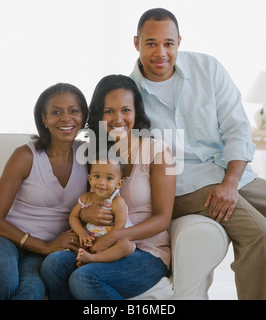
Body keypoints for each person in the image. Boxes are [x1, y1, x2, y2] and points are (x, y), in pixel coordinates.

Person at [130, 7, 266, 300]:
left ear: (179, 42)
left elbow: (237, 127)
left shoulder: (207, 69)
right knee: (259, 234)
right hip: (183, 186)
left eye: (168, 43)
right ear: (136, 43)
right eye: (151, 43)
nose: (161, 52)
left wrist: (231, 182)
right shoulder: (128, 93)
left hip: (232, 173)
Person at [40, 74, 176, 300]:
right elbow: (88, 199)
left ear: (136, 113)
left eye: (125, 110)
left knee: (84, 277)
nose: (117, 118)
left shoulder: (160, 152)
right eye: (109, 111)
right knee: (52, 264)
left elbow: (163, 218)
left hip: (145, 253)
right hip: (99, 243)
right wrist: (84, 214)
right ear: (99, 115)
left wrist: (115, 236)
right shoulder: (95, 154)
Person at [0, 83, 89, 300]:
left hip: (42, 252)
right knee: (2, 277)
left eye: (73, 111)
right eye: (56, 112)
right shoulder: (25, 156)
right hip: (3, 238)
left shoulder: (89, 156)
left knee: (31, 292)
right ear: (44, 119)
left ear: (83, 116)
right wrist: (46, 245)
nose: (66, 118)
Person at [69, 155, 135, 266]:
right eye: (96, 176)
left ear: (119, 184)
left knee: (126, 246)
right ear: (90, 178)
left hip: (111, 241)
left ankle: (93, 259)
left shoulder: (117, 202)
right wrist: (82, 234)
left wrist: (104, 242)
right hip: (90, 238)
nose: (101, 182)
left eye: (109, 178)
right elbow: (73, 216)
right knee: (72, 237)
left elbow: (119, 228)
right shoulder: (86, 198)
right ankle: (85, 256)